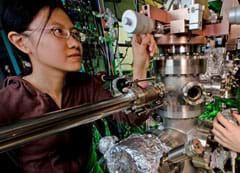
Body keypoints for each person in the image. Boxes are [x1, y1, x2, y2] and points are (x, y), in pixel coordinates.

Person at [0, 0, 157, 172]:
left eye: (74, 33)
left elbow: (131, 117)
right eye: (58, 31)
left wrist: (140, 66)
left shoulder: (85, 85)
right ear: (21, 42)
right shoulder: (10, 99)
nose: (75, 43)